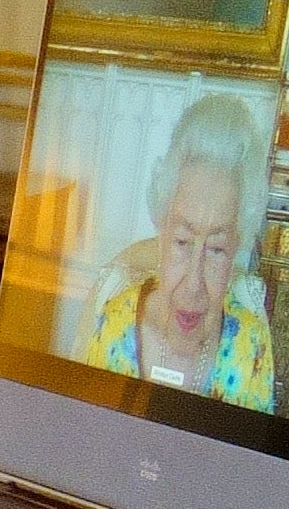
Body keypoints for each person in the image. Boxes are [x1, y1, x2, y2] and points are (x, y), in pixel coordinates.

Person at [86, 91, 278, 411]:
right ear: (161, 230)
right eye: (182, 242)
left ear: (237, 246)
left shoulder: (251, 344)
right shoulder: (115, 326)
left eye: (216, 249)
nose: (193, 284)